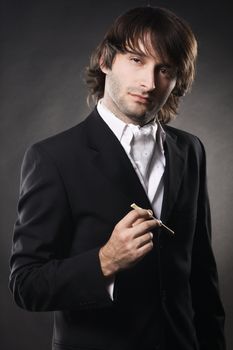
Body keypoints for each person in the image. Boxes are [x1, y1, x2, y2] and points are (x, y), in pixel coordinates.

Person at [9, 6, 226, 350]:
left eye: (165, 69)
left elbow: (201, 275)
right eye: (137, 60)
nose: (149, 82)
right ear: (106, 61)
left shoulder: (190, 150)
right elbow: (26, 284)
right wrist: (104, 261)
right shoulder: (52, 158)